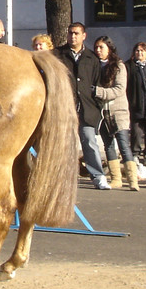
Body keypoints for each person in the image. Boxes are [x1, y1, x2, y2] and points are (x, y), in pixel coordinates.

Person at [56, 22, 109, 190]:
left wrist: (97, 106)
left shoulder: (91, 58)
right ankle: (63, 176)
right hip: (64, 107)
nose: (73, 36)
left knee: (89, 142)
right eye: (70, 33)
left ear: (83, 36)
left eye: (76, 33)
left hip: (87, 108)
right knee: (64, 144)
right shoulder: (58, 55)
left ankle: (98, 176)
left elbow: (98, 83)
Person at [92, 36, 136, 190]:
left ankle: (132, 179)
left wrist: (98, 92)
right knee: (108, 145)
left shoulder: (119, 66)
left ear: (109, 49)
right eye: (96, 47)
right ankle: (116, 178)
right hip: (102, 112)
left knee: (123, 145)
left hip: (118, 112)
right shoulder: (94, 65)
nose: (98, 50)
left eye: (101, 47)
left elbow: (119, 89)